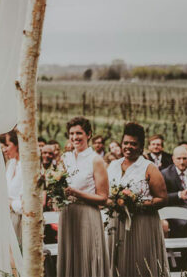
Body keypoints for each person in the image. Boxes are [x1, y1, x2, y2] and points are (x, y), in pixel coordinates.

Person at [107, 122, 169, 276]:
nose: (128, 146)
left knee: (140, 260)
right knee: (117, 261)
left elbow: (162, 199)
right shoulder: (113, 165)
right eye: (125, 143)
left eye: (133, 144)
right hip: (116, 221)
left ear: (141, 147)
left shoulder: (149, 167)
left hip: (142, 222)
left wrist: (137, 203)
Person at [57, 117, 110, 277]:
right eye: (71, 133)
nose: (75, 137)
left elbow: (103, 198)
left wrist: (76, 193)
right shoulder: (65, 158)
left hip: (87, 214)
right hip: (67, 213)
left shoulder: (96, 160)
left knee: (88, 256)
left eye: (79, 133)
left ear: (89, 134)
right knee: (70, 257)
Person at [0, 129, 23, 244]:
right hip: (8, 216)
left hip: (21, 220)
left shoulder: (26, 167)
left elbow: (28, 202)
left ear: (18, 144)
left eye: (7, 145)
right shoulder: (11, 164)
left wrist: (11, 203)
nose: (4, 150)